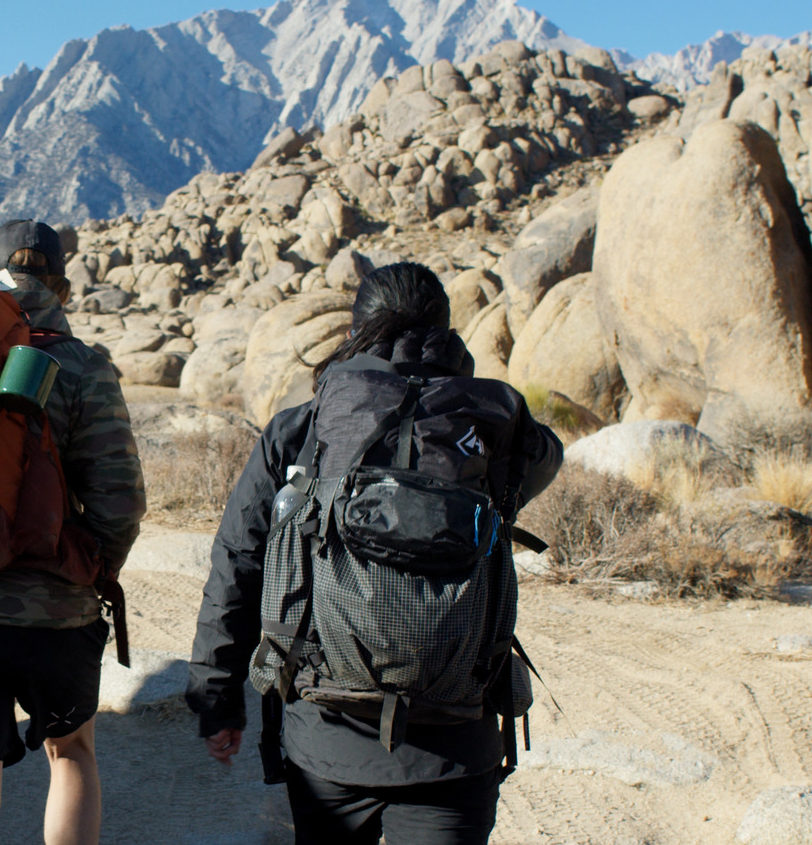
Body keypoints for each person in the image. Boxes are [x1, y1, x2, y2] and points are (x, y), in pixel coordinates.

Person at [186, 262, 561, 844]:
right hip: (456, 738)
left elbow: (238, 560)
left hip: (327, 736)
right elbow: (545, 459)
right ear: (445, 330)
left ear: (356, 329)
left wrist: (217, 699)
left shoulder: (305, 427)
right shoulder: (494, 421)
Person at [0, 219, 146, 845]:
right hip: (55, 614)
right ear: (61, 289)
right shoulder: (82, 366)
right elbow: (120, 499)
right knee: (70, 753)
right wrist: (92, 571)